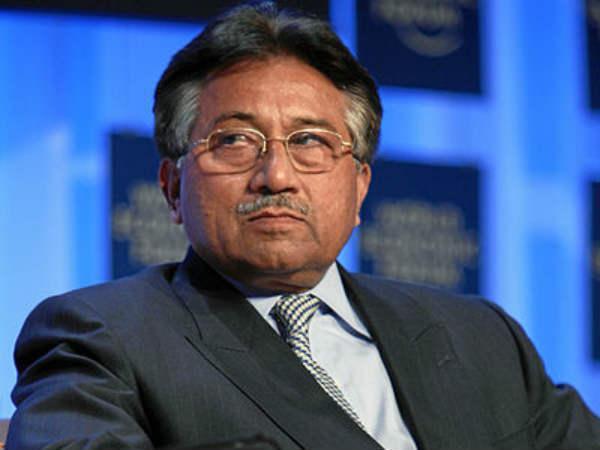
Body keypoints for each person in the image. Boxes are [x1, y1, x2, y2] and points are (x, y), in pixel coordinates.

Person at [7, 2, 600, 450]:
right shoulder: (99, 337)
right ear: (171, 187)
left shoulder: (481, 337)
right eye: (235, 141)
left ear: (359, 185)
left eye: (310, 141)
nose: (276, 176)